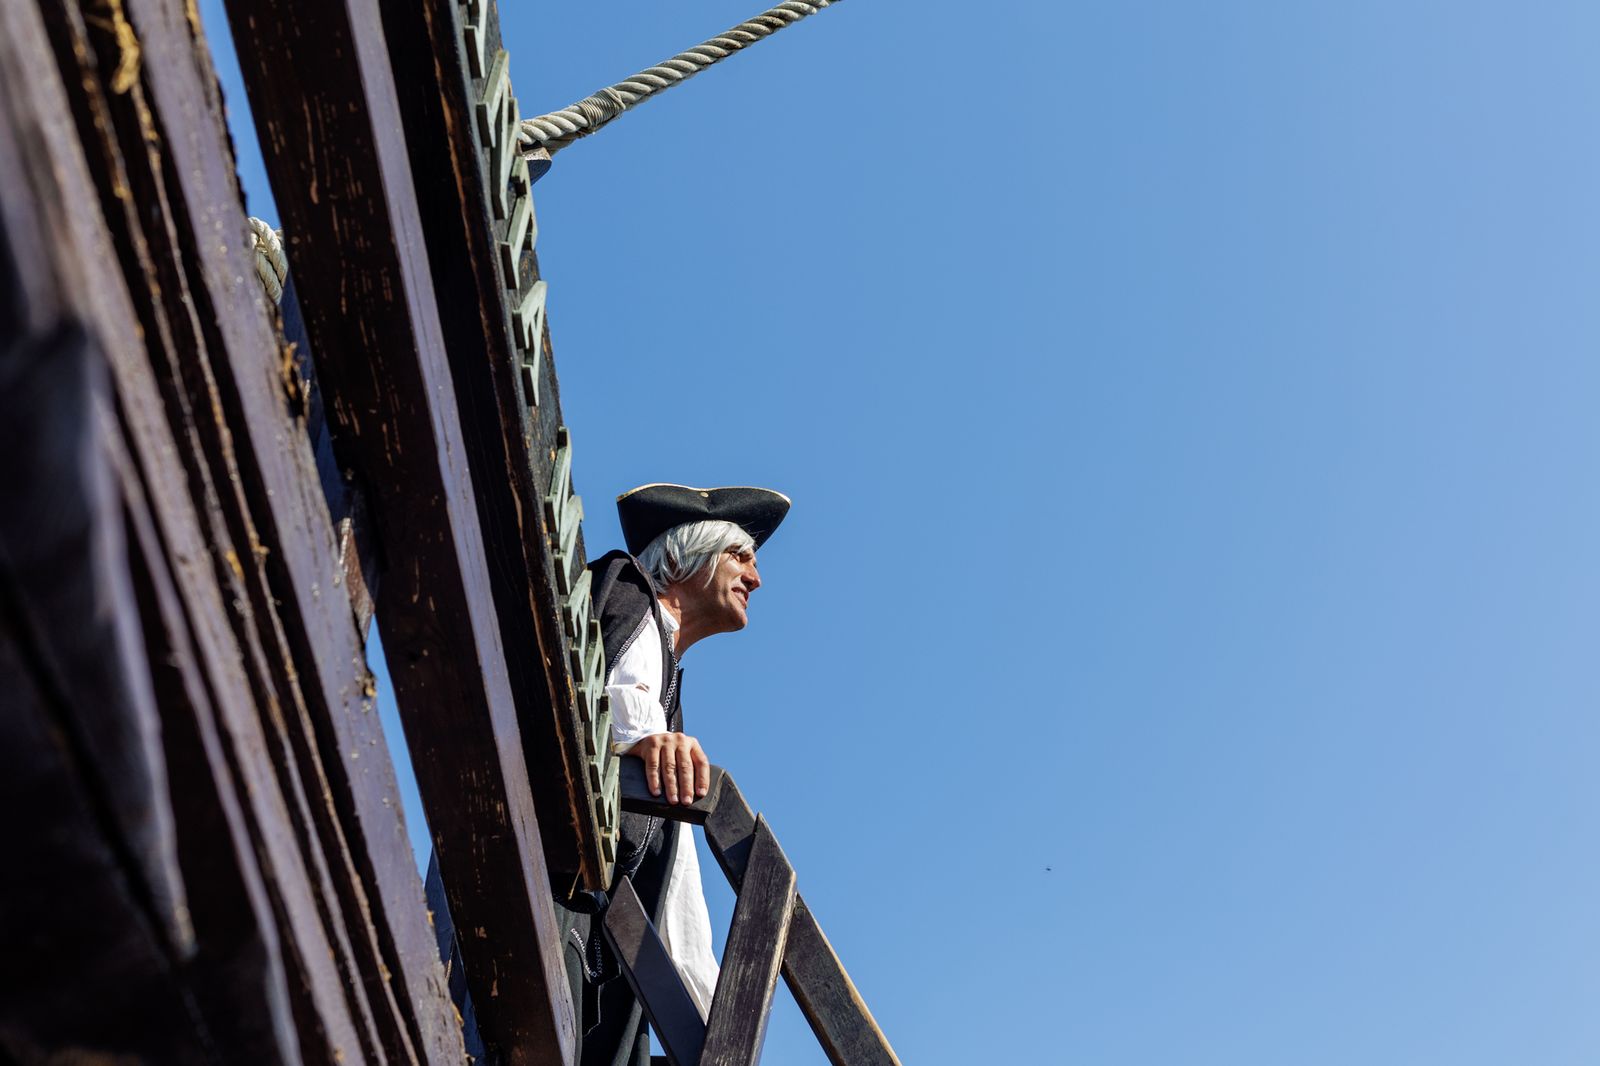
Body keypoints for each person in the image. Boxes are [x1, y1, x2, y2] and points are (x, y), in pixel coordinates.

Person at [569, 482, 789, 1066]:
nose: (757, 579)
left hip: (603, 956)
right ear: (689, 553)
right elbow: (610, 694)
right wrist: (643, 735)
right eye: (741, 557)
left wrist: (709, 1010)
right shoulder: (626, 593)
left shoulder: (667, 683)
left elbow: (679, 881)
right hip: (567, 920)